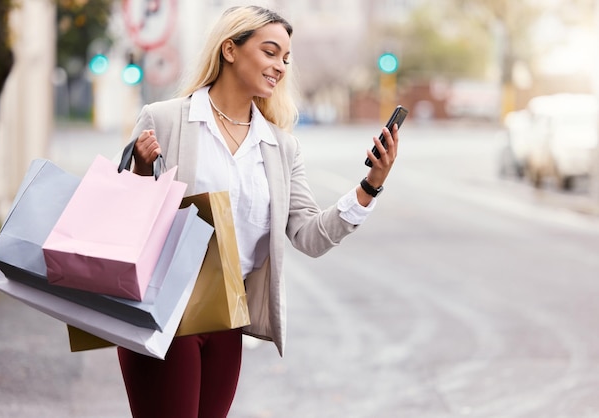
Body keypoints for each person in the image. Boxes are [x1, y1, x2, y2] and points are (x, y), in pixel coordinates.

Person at [117, 5, 399, 418]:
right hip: (163, 310)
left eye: (285, 58)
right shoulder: (167, 120)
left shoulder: (280, 147)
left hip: (227, 319)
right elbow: (124, 216)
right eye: (270, 52)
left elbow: (310, 235)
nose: (281, 66)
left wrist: (370, 185)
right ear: (230, 50)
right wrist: (142, 170)